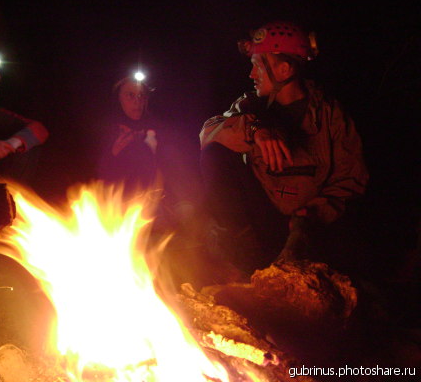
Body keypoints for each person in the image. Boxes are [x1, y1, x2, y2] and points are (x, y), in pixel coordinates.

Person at [199, 21, 369, 275]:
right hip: (263, 223)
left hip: (310, 224)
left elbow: (351, 180)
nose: (251, 75)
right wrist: (256, 130)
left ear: (284, 69)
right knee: (215, 153)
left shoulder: (328, 114)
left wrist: (310, 215)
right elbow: (208, 132)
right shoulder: (251, 105)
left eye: (258, 66)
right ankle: (243, 257)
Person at [97, 75, 202, 232]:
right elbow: (98, 180)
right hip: (122, 209)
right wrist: (114, 154)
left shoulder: (157, 128)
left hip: (161, 202)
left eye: (141, 95)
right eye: (130, 95)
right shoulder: (107, 131)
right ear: (118, 98)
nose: (137, 101)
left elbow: (175, 166)